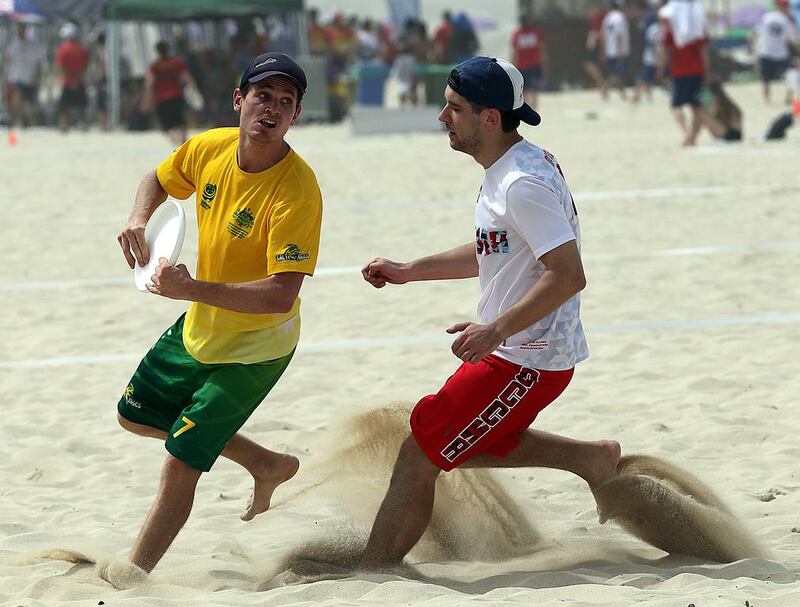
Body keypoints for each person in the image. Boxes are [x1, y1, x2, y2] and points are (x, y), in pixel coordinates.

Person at [357, 56, 620, 570]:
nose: (442, 117)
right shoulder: (506, 170)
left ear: (491, 118)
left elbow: (568, 274)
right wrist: (410, 270)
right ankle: (590, 458)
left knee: (421, 452)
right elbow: (495, 248)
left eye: (454, 108)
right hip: (511, 344)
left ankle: (374, 572)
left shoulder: (522, 182)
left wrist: (495, 328)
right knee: (465, 443)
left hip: (528, 358)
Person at [111, 52, 322, 582]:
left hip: (255, 347)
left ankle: (131, 575)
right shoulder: (211, 147)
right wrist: (139, 219)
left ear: (295, 116)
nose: (271, 108)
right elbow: (157, 178)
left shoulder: (297, 190)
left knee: (182, 461)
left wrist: (191, 288)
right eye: (262, 96)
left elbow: (280, 294)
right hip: (200, 326)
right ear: (239, 100)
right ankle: (266, 463)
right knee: (135, 416)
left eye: (285, 101)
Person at [658, 0, 710, 145]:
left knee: (676, 105)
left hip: (679, 70)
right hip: (697, 69)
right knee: (697, 105)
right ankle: (693, 136)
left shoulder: (670, 23)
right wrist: (707, 71)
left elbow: (664, 48)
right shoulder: (698, 22)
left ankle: (686, 132)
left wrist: (661, 68)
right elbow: (704, 50)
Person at [142, 41, 197, 145]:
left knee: (166, 125)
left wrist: (147, 101)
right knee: (180, 121)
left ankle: (176, 143)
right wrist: (193, 90)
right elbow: (187, 78)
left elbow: (149, 84)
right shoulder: (176, 63)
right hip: (176, 96)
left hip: (162, 99)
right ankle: (183, 141)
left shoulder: (155, 66)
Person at [752, 0, 800, 103]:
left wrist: (752, 49)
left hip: (765, 52)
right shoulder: (787, 20)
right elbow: (793, 40)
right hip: (781, 53)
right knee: (792, 72)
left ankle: (766, 100)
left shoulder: (766, 16)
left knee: (766, 79)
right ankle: (789, 96)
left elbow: (756, 32)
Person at [3, 22, 44, 128]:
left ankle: (32, 123)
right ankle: (17, 122)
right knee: (16, 100)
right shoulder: (13, 44)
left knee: (30, 103)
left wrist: (37, 75)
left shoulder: (33, 45)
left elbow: (38, 62)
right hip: (16, 77)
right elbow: (8, 59)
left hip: (30, 77)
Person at [55, 23, 90, 131]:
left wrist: (69, 79)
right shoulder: (83, 50)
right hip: (79, 81)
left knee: (64, 106)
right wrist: (76, 79)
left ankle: (64, 125)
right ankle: (82, 123)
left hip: (67, 82)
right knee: (81, 105)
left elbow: (61, 67)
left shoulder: (62, 50)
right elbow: (85, 67)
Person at [510, 14, 548, 109]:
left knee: (534, 87)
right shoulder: (517, 34)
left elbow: (542, 49)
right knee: (525, 88)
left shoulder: (536, 32)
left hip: (534, 64)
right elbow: (514, 51)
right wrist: (513, 66)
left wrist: (544, 63)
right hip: (522, 65)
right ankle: (527, 107)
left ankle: (534, 107)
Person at [632, 0, 663, 104]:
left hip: (652, 54)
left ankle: (647, 96)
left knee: (648, 78)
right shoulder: (652, 22)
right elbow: (652, 43)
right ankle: (637, 96)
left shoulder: (651, 20)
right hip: (651, 55)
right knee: (644, 77)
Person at [600, 0, 631, 99]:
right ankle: (605, 87)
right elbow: (619, 36)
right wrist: (620, 51)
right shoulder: (620, 18)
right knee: (617, 73)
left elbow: (604, 36)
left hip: (610, 50)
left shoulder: (607, 18)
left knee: (617, 73)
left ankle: (622, 93)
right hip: (619, 50)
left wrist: (603, 51)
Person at [584, 0, 608, 92]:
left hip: (599, 43)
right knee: (590, 64)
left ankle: (602, 83)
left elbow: (598, 31)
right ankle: (601, 83)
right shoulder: (596, 16)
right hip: (597, 43)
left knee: (590, 64)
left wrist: (602, 48)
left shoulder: (600, 16)